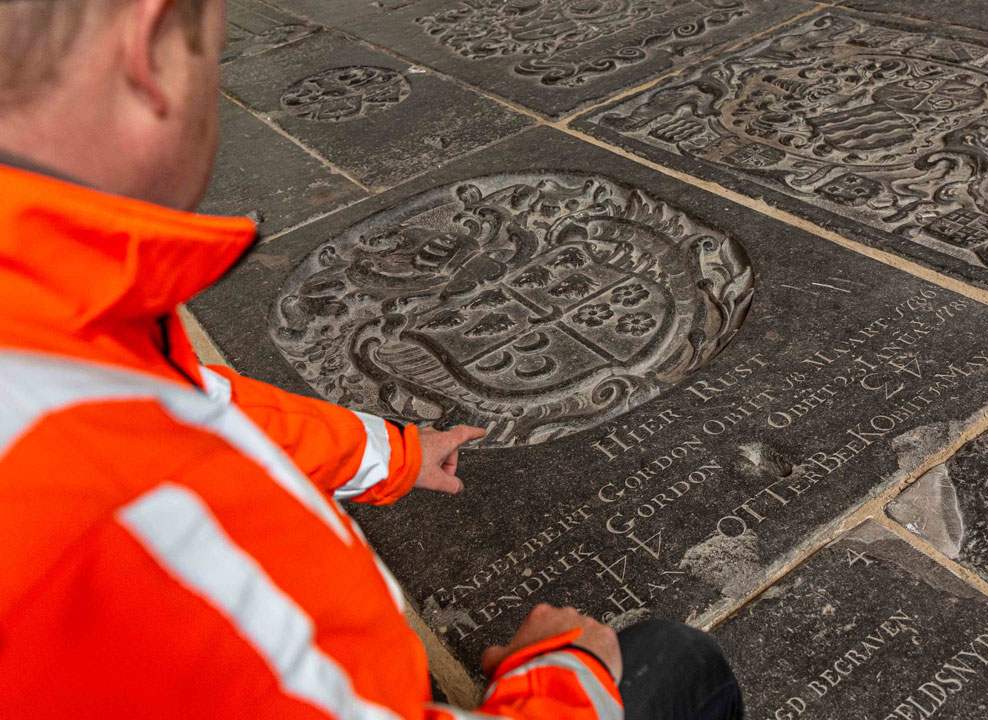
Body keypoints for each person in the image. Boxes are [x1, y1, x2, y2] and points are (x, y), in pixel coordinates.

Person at [0, 1, 744, 719]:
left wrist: (386, 451)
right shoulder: (134, 523)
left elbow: (191, 401)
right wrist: (563, 677)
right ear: (149, 46)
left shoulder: (56, 332)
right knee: (677, 661)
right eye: (214, 53)